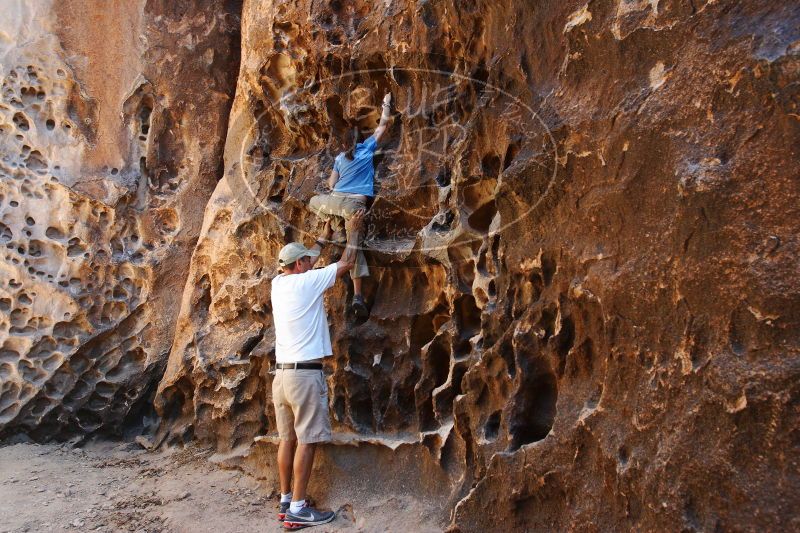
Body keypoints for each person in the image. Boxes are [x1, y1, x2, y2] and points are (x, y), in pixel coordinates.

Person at [270, 211, 365, 530]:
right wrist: (354, 230)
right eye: (307, 261)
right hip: (304, 377)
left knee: (287, 439)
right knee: (307, 440)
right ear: (299, 267)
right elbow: (348, 262)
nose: (311, 264)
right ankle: (298, 508)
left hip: (281, 376)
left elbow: (306, 259)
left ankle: (286, 500)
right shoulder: (308, 282)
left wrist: (322, 237)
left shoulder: (278, 283)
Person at [308, 92, 393, 318]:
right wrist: (386, 105)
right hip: (356, 206)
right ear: (360, 140)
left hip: (336, 201)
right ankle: (357, 296)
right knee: (353, 247)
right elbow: (382, 127)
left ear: (345, 143)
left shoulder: (339, 158)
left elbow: (331, 183)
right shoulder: (367, 150)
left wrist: (332, 176)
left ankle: (336, 228)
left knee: (313, 202)